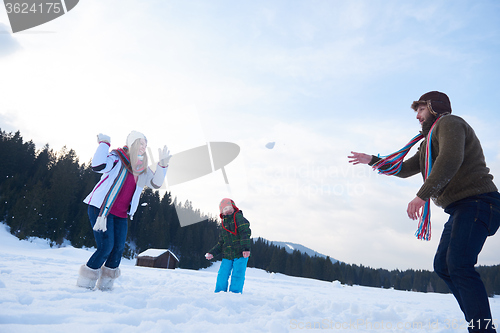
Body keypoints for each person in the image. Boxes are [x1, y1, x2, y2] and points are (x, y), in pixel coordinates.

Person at [348, 91, 500, 333]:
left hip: (479, 201)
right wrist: (373, 160)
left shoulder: (450, 123)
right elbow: (407, 168)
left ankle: (482, 329)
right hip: (463, 207)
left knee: (459, 264)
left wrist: (422, 194)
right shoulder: (428, 143)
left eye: (420, 109)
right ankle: (479, 324)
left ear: (434, 107)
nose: (417, 116)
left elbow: (451, 158)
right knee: (444, 266)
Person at [77, 131, 171, 290]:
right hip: (101, 209)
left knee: (118, 248)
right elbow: (98, 165)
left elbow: (156, 184)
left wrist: (162, 165)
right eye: (141, 143)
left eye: (145, 145)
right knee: (106, 246)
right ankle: (85, 283)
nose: (144, 147)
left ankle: (106, 285)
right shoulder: (117, 158)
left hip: (121, 214)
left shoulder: (141, 168)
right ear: (133, 143)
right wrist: (104, 144)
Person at [205, 198, 251, 293]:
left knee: (238, 274)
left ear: (234, 207)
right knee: (222, 274)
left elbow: (245, 232)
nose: (228, 210)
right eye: (225, 209)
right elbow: (221, 242)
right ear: (222, 212)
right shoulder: (223, 224)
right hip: (227, 255)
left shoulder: (238, 217)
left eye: (230, 207)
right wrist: (212, 252)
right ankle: (219, 292)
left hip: (240, 254)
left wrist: (246, 248)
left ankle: (235, 293)